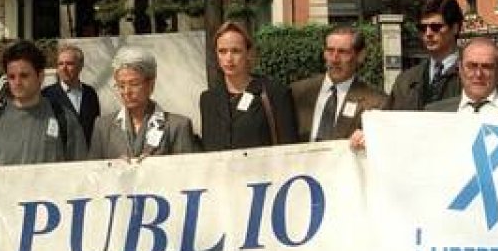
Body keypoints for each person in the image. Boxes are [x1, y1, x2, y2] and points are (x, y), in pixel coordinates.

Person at [0, 40, 86, 177]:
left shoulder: (64, 119)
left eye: (24, 75)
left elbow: (81, 173)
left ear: (40, 76)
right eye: (12, 77)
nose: (17, 82)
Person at [199, 22, 299, 151]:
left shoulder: (275, 93)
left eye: (236, 51)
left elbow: (290, 149)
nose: (229, 58)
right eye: (222, 51)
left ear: (248, 53)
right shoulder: (208, 100)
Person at [89, 47, 198, 160]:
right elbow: (92, 173)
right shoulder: (103, 126)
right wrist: (112, 169)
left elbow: (186, 172)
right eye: (121, 85)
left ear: (151, 84)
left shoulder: (177, 126)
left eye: (134, 84)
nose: (127, 92)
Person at [290, 27, 388, 143]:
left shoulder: (376, 103)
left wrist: (369, 139)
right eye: (330, 51)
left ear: (360, 56)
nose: (334, 59)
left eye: (343, 52)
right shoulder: (297, 92)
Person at [425, 38, 498, 113]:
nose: (478, 74)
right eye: (472, 66)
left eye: (487, 66)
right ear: (460, 69)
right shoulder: (434, 113)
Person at [390, 0, 465, 111]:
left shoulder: (474, 76)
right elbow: (388, 122)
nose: (428, 33)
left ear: (455, 28)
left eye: (436, 27)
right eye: (422, 27)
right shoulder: (406, 80)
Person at [41, 44, 100, 146]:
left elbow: (96, 128)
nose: (64, 68)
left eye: (69, 64)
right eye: (60, 64)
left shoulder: (90, 93)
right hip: (60, 157)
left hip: (88, 157)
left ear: (80, 66)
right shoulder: (47, 95)